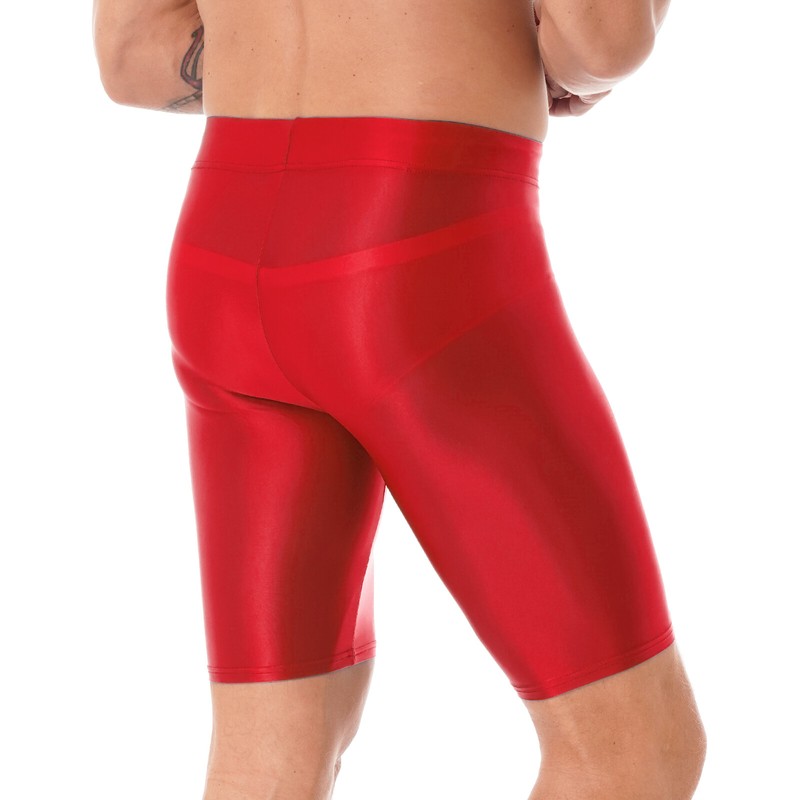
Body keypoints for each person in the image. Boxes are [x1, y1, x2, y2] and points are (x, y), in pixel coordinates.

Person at [92, 0, 707, 798]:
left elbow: (131, 54)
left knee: (269, 757)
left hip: (225, 251)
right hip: (419, 246)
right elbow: (604, 39)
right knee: (636, 747)